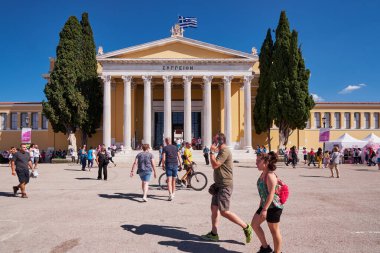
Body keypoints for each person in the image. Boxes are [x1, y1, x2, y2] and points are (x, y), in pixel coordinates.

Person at [201, 133, 253, 243]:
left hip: (225, 185)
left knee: (224, 211)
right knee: (214, 208)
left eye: (214, 141)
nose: (212, 142)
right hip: (218, 185)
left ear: (219, 142)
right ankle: (214, 233)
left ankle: (246, 227)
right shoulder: (220, 151)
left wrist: (211, 152)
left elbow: (215, 165)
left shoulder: (225, 151)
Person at [251, 151, 284, 253]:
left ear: (265, 162)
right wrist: (261, 207)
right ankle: (265, 248)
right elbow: (263, 193)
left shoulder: (270, 175)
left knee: (274, 231)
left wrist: (264, 210)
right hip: (265, 205)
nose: (256, 163)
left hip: (274, 207)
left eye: (258, 161)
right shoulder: (263, 173)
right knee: (254, 225)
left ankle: (277, 252)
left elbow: (271, 194)